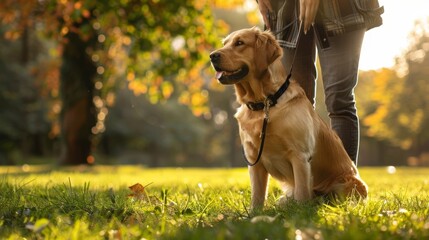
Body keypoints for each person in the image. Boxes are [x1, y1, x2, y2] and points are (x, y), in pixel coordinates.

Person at [257, 0, 383, 165]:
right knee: (294, 106)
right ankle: (304, 185)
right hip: (285, 10)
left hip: (340, 9)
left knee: (339, 101)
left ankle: (345, 182)